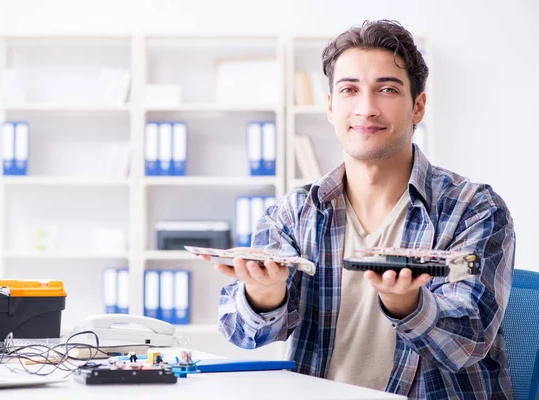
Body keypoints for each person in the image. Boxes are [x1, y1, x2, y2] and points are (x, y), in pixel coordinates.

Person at [206, 20, 516, 399]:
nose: (366, 108)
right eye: (350, 90)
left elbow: (467, 341)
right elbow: (243, 334)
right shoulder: (293, 214)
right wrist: (264, 295)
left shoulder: (474, 210)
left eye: (387, 89)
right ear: (331, 107)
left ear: (418, 106)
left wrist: (408, 305)